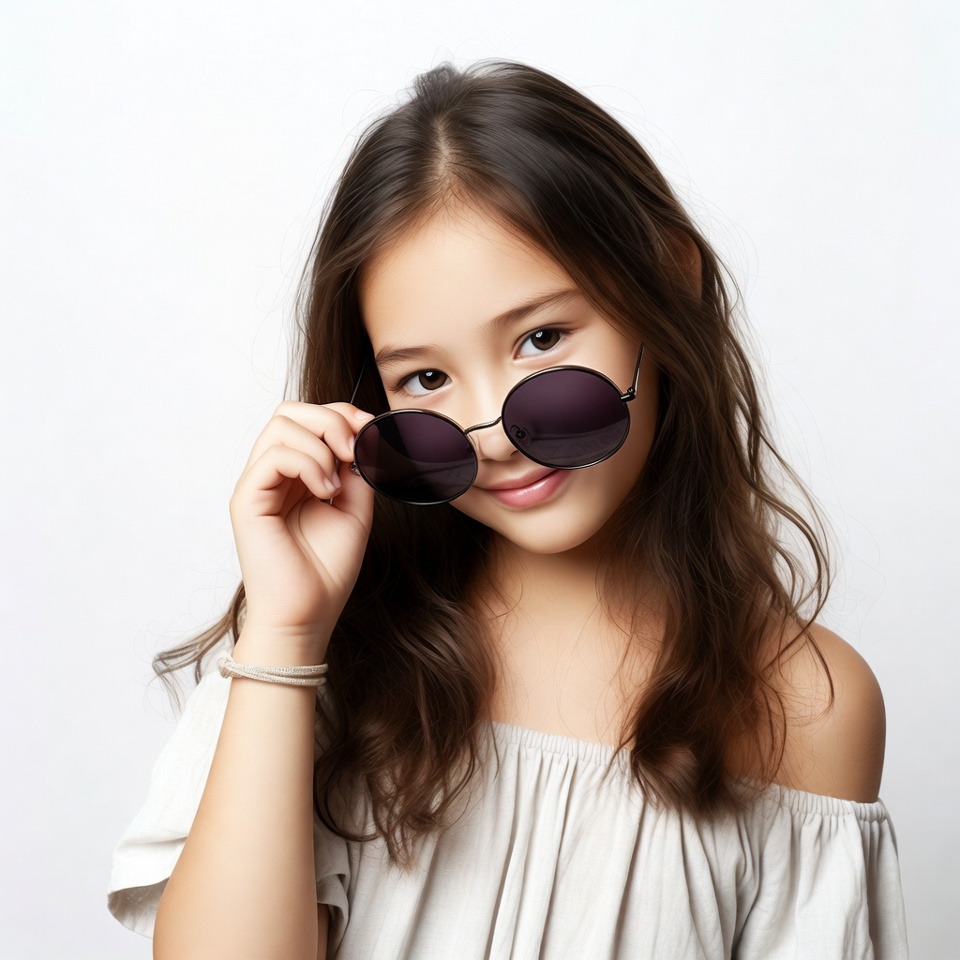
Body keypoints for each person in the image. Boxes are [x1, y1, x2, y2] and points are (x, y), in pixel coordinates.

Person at [108, 61, 908, 959]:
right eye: (427, 379)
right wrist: (287, 639)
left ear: (668, 280)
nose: (490, 433)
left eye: (540, 338)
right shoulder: (320, 654)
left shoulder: (806, 704)